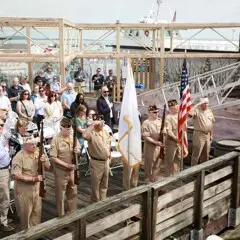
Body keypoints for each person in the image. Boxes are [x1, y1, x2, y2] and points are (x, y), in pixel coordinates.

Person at [11, 133, 50, 230]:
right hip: (24, 191)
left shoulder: (38, 152)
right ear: (25, 144)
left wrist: (44, 161)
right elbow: (15, 175)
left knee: (36, 213)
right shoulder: (19, 157)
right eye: (32, 144)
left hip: (37, 189)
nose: (34, 146)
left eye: (35, 143)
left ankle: (35, 233)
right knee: (25, 216)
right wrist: (33, 179)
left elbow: (48, 167)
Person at [50, 117, 80, 216]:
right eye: (66, 129)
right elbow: (53, 158)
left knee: (73, 192)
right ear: (61, 128)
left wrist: (77, 150)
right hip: (61, 171)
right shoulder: (56, 140)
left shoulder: (73, 137)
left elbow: (79, 147)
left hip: (72, 171)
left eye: (69, 129)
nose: (68, 131)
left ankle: (72, 213)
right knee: (60, 196)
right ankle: (61, 217)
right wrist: (66, 165)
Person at [82, 114, 111, 202]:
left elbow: (109, 145)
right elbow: (84, 136)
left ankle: (102, 202)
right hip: (96, 162)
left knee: (104, 185)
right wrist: (92, 125)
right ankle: (95, 205)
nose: (102, 124)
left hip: (106, 162)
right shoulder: (91, 133)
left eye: (102, 122)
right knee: (96, 186)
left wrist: (110, 158)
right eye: (99, 122)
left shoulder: (105, 132)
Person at [189, 97, 215, 166]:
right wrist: (197, 105)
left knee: (206, 154)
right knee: (196, 154)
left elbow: (211, 123)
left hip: (207, 135)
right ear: (201, 103)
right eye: (204, 103)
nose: (206, 105)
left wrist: (211, 135)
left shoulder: (209, 111)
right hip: (199, 135)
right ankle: (192, 171)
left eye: (207, 103)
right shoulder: (196, 110)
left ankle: (203, 170)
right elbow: (189, 113)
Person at [142, 105, 163, 183]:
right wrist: (156, 142)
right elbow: (145, 136)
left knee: (157, 165)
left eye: (157, 112)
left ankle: (154, 179)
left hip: (159, 147)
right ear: (149, 113)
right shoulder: (146, 123)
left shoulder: (159, 121)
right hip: (150, 147)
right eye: (154, 112)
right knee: (149, 165)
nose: (156, 114)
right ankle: (148, 181)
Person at [0, 119, 15, 232]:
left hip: (6, 169)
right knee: (4, 197)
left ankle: (3, 217)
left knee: (5, 195)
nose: (2, 127)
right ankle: (2, 222)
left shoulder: (2, 137)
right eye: (0, 125)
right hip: (1, 171)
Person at [164, 99, 181, 176]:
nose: (178, 108)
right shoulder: (169, 117)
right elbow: (169, 131)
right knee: (169, 161)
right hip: (171, 142)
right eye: (176, 107)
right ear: (171, 108)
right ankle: (167, 176)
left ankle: (176, 175)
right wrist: (176, 138)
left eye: (178, 107)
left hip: (179, 142)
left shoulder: (179, 115)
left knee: (177, 159)